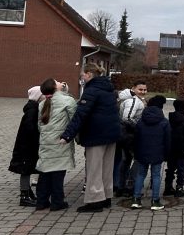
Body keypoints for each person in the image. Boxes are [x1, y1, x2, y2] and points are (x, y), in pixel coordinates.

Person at [60, 63, 121, 213]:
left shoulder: (91, 91)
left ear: (89, 74)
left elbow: (80, 114)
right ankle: (106, 196)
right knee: (107, 167)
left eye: (82, 74)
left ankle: (95, 200)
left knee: (94, 168)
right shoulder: (109, 89)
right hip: (111, 134)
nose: (81, 77)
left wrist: (67, 135)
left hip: (96, 134)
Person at [35, 79, 77, 211]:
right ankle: (57, 201)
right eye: (57, 81)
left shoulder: (42, 104)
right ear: (54, 87)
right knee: (58, 173)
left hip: (46, 142)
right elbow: (74, 121)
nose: (60, 82)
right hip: (60, 142)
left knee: (45, 172)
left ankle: (41, 201)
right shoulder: (68, 101)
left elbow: (39, 125)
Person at [131, 95, 170, 210]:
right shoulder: (164, 122)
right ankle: (155, 201)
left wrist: (135, 152)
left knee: (140, 174)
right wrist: (166, 154)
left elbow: (136, 138)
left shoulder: (140, 121)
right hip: (158, 152)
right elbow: (168, 140)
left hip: (142, 152)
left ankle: (136, 199)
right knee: (156, 175)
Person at [8, 86, 42, 207]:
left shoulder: (33, 108)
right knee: (25, 169)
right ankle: (24, 196)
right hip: (26, 145)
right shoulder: (32, 111)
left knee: (28, 168)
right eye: (42, 95)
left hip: (27, 144)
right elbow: (29, 128)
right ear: (38, 97)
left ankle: (28, 192)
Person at [114, 80, 147, 196]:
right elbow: (126, 118)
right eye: (140, 89)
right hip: (130, 136)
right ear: (133, 89)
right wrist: (139, 127)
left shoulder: (135, 100)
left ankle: (121, 186)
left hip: (126, 135)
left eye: (145, 89)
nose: (143, 92)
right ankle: (130, 186)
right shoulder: (133, 101)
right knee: (138, 160)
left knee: (126, 161)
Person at [165, 98, 184, 198]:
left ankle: (168, 187)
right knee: (181, 169)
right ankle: (179, 188)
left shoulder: (169, 119)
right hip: (182, 149)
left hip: (171, 147)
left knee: (170, 168)